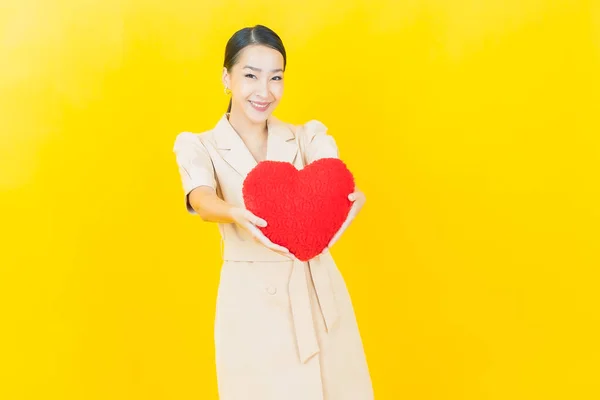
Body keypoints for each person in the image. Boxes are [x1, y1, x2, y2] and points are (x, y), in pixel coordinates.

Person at [172, 24, 374, 400]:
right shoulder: (199, 145)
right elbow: (200, 197)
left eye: (276, 78)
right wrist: (235, 211)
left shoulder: (305, 136)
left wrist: (349, 195)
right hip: (250, 300)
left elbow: (330, 172)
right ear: (226, 78)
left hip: (316, 291)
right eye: (251, 76)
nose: (264, 91)